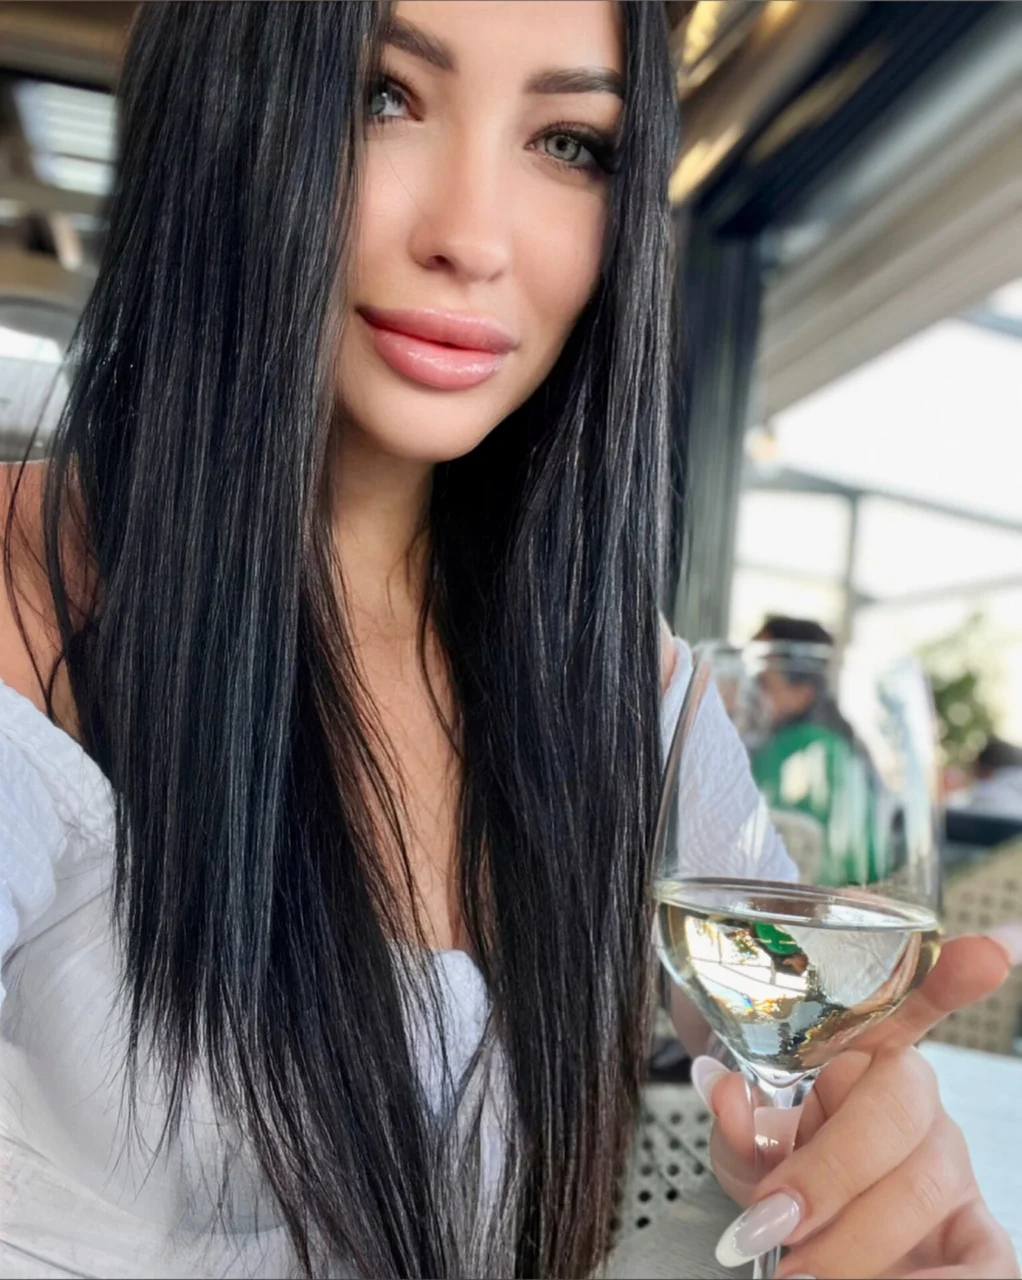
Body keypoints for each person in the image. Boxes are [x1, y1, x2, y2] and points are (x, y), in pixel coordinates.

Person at [0, 5, 1017, 1279]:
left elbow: (780, 1043)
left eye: (569, 143)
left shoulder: (616, 676)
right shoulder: (21, 597)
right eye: (380, 95)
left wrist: (841, 1155)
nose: (474, 239)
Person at [750, 615, 890, 885]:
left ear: (803, 692)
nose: (749, 690)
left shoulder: (799, 748)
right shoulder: (843, 741)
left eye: (761, 681)